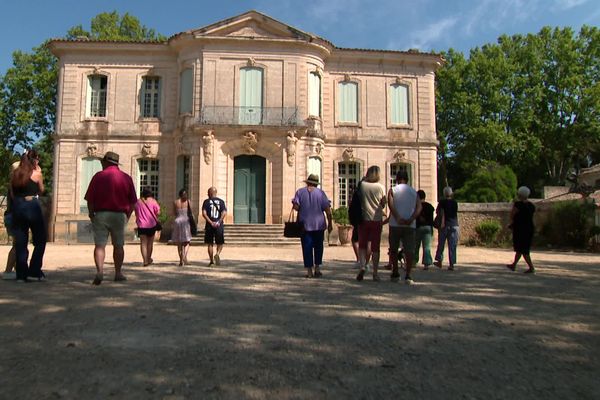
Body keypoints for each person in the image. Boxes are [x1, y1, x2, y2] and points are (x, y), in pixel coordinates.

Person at [85, 151, 137, 285]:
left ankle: (100, 272)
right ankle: (118, 273)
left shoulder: (98, 177)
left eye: (103, 162)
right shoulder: (126, 178)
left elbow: (90, 199)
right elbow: (132, 202)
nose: (101, 164)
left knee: (100, 245)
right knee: (118, 245)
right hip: (119, 215)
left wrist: (91, 214)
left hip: (101, 214)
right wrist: (127, 216)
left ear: (107, 162)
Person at [10, 150, 46, 282]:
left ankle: (21, 274)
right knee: (40, 240)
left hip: (18, 206)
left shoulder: (15, 174)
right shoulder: (37, 174)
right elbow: (42, 190)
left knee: (21, 242)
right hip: (32, 205)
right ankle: (34, 271)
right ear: (34, 160)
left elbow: (12, 194)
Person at [292, 174, 333, 278]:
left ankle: (309, 271)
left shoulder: (300, 192)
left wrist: (301, 206)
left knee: (307, 248)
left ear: (308, 182)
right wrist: (330, 224)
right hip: (319, 224)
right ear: (316, 183)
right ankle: (317, 268)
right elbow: (328, 210)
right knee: (319, 247)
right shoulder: (321, 193)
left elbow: (296, 207)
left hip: (305, 225)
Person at [387, 170, 422, 284]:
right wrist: (411, 219)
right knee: (409, 250)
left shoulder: (392, 190)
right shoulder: (414, 192)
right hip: (409, 225)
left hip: (395, 224)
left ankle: (395, 273)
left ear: (396, 179)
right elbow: (419, 207)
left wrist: (397, 217)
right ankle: (408, 274)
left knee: (393, 249)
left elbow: (390, 204)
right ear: (407, 179)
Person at [356, 166, 387, 282]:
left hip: (363, 219)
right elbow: (384, 203)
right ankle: (375, 273)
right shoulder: (380, 187)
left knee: (362, 245)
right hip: (377, 220)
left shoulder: (362, 185)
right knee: (375, 248)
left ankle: (363, 265)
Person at [506, 186, 536, 274]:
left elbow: (512, 215)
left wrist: (511, 224)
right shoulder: (531, 206)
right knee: (520, 249)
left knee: (524, 250)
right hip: (529, 228)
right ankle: (514, 265)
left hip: (520, 229)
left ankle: (531, 268)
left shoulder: (518, 205)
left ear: (520, 194)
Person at [2, 161, 21, 280]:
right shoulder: (16, 185)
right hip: (15, 216)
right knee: (17, 245)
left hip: (10, 215)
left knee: (17, 244)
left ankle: (16, 269)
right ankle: (8, 270)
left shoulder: (12, 184)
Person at [433, 186, 459, 270]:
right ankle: (452, 264)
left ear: (444, 194)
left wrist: (441, 223)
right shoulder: (455, 202)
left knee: (441, 244)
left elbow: (439, 212)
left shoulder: (442, 202)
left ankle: (439, 261)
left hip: (444, 225)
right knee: (452, 245)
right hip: (454, 225)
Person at [134, 187, 161, 267]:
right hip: (151, 224)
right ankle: (148, 258)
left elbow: (135, 212)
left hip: (141, 225)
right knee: (150, 243)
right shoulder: (153, 201)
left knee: (143, 243)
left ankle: (145, 260)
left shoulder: (138, 202)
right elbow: (158, 212)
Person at [202, 187, 227, 266]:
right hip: (219, 225)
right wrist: (219, 221)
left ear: (210, 193)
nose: (207, 194)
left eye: (208, 193)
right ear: (216, 193)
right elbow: (224, 212)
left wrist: (211, 222)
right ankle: (218, 254)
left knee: (210, 243)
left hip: (210, 225)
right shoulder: (221, 202)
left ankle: (211, 261)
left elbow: (204, 213)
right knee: (220, 242)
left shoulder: (206, 202)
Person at [172, 189, 192, 266]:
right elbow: (190, 212)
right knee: (187, 241)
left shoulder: (175, 202)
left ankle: (181, 260)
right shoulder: (188, 202)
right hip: (185, 221)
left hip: (177, 221)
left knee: (179, 242)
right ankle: (184, 257)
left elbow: (174, 213)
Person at [415, 190, 434, 270]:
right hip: (428, 227)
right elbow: (431, 219)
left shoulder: (416, 206)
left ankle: (413, 261)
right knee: (427, 247)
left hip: (418, 227)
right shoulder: (430, 206)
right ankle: (426, 264)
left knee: (416, 246)